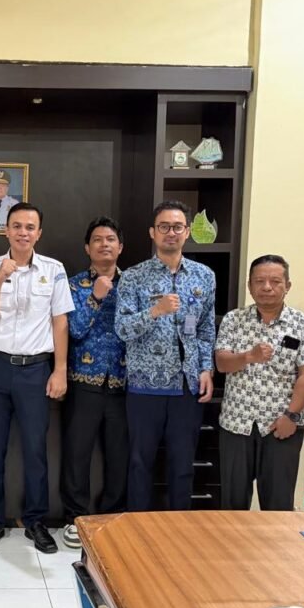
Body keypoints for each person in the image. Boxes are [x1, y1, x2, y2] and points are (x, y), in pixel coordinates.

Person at [0, 202, 73, 553]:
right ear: (6, 230)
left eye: (30, 227)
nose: (23, 232)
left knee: (35, 450)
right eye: (16, 226)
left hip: (36, 370)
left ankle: (35, 521)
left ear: (39, 233)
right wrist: (0, 277)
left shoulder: (54, 269)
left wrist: (59, 370)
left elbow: (60, 321)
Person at [115, 200, 216, 511]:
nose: (170, 233)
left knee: (182, 465)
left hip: (187, 385)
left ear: (187, 231)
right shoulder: (133, 277)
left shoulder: (204, 276)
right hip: (144, 386)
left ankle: (178, 529)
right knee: (140, 463)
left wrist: (206, 369)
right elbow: (122, 328)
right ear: (152, 232)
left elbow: (206, 329)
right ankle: (137, 528)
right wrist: (154, 311)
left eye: (177, 227)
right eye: (164, 227)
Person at [215, 255, 304, 510]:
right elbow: (222, 363)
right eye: (259, 281)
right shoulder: (233, 320)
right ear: (250, 286)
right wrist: (248, 356)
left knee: (278, 505)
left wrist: (291, 416)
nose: (267, 287)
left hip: (281, 425)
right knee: (232, 504)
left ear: (287, 286)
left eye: (275, 281)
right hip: (236, 424)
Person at [60, 217, 128, 549]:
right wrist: (95, 298)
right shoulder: (73, 285)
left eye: (110, 239)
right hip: (82, 382)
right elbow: (72, 330)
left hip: (123, 383)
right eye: (97, 240)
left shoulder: (134, 285)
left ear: (120, 247)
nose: (104, 244)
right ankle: (76, 518)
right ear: (87, 248)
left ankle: (113, 518)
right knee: (77, 454)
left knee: (119, 456)